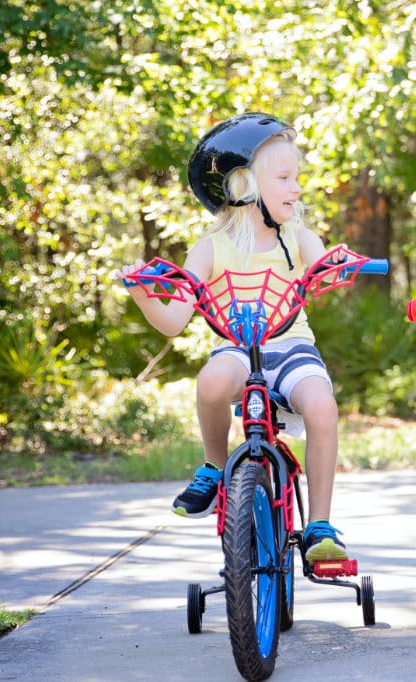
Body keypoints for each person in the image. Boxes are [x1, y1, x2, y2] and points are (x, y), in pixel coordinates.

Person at [115, 112, 348, 563]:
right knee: (211, 382)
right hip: (235, 348)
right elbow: (174, 322)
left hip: (292, 348)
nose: (296, 187)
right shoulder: (209, 247)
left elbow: (324, 264)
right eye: (284, 177)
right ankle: (214, 467)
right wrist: (146, 297)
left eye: (296, 177)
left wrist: (335, 266)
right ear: (244, 185)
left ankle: (320, 523)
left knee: (322, 405)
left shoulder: (299, 237)